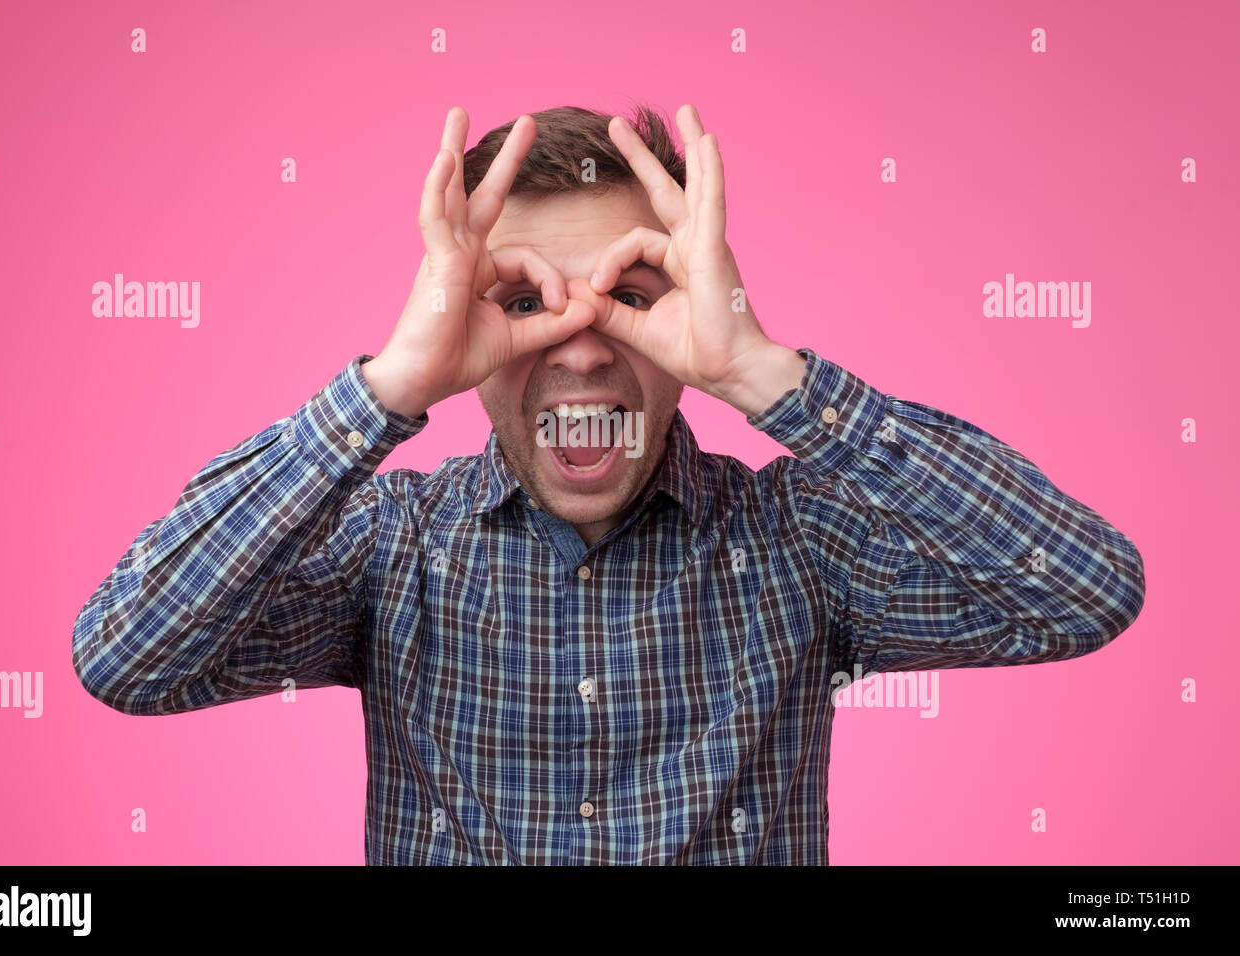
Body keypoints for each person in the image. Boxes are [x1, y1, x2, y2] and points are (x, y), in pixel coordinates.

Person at [72, 103, 1146, 865]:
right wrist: (389, 384)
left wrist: (765, 374)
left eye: (629, 295)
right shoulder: (389, 549)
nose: (582, 349)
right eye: (525, 299)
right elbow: (127, 654)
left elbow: (1082, 590)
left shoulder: (800, 541)